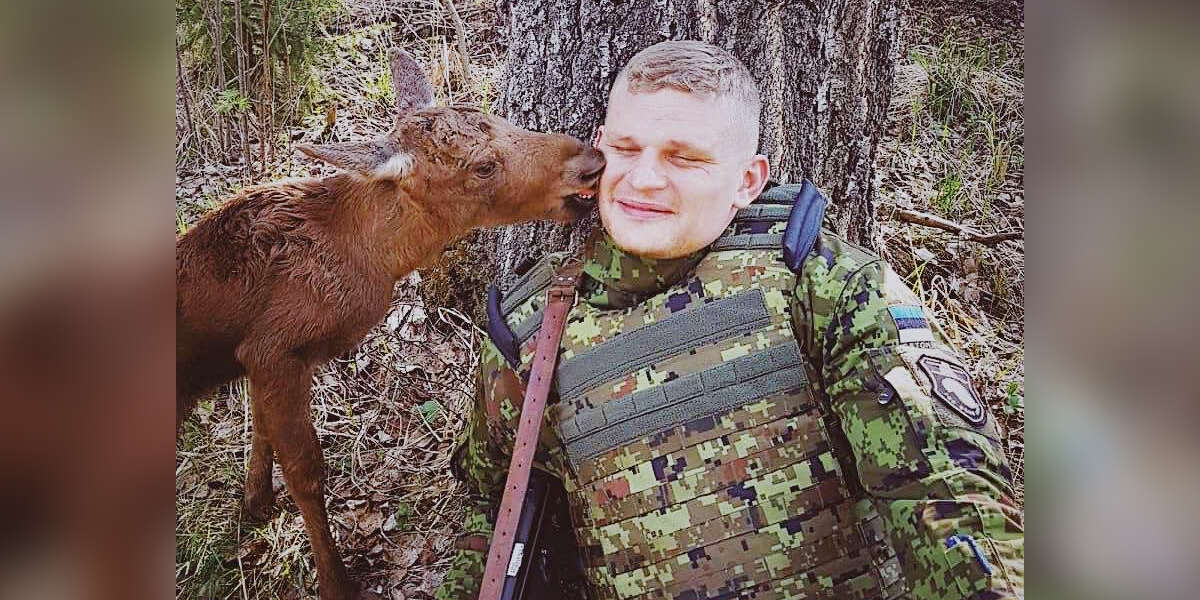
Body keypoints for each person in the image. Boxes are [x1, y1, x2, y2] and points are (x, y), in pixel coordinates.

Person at [435, 40, 1024, 600]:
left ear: (748, 181)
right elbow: (491, 514)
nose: (643, 179)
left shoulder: (822, 284)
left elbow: (948, 495)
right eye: (626, 148)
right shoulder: (534, 329)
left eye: (684, 158)